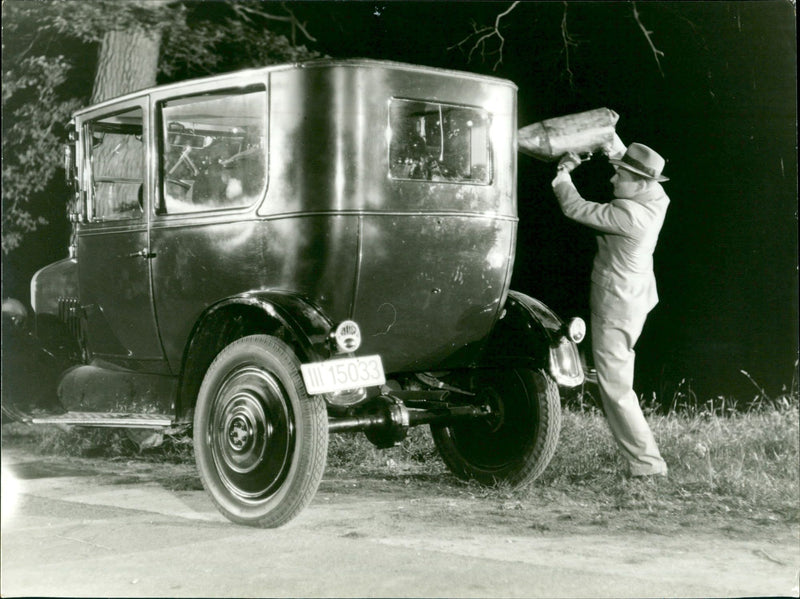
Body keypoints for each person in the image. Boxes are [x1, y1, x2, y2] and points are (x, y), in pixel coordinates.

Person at [552, 142, 670, 478]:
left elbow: (575, 208)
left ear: (641, 184)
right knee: (617, 377)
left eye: (620, 175)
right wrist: (611, 144)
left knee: (615, 386)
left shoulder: (629, 216)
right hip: (637, 299)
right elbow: (639, 168)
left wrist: (563, 174)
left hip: (617, 306)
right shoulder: (657, 200)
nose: (613, 179)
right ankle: (645, 461)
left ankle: (647, 465)